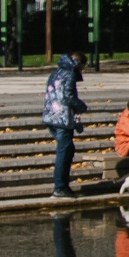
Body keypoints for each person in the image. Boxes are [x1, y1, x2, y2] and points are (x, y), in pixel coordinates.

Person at [44, 53, 88, 196]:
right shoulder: (70, 73)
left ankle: (62, 186)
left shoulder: (56, 72)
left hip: (50, 116)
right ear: (79, 64)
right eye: (83, 67)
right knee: (64, 152)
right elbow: (68, 96)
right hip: (62, 119)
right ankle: (60, 187)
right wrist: (81, 106)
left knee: (68, 150)